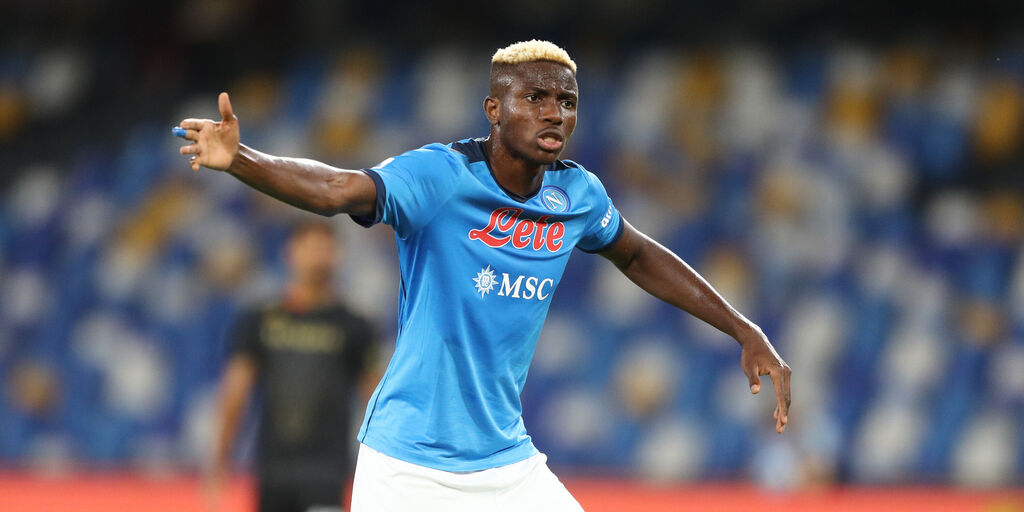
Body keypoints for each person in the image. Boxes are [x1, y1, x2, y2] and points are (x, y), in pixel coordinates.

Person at [177, 40, 791, 512]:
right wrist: (243, 160)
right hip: (408, 465)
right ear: (494, 110)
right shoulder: (440, 177)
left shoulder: (577, 194)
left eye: (567, 102)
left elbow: (637, 255)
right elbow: (339, 189)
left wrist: (743, 328)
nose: (554, 114)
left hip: (504, 461)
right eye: (536, 99)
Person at [207, 220, 377, 512]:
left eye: (325, 248)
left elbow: (373, 401)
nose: (318, 257)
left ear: (338, 255)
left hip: (327, 471)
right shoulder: (260, 321)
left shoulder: (354, 326)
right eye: (310, 247)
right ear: (290, 252)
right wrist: (220, 460)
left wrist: (378, 467)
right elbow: (235, 394)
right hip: (273, 470)